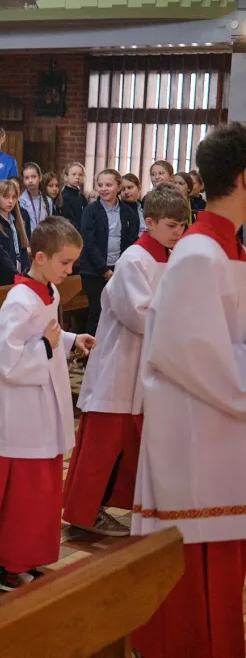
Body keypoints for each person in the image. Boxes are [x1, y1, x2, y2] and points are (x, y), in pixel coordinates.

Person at [131, 122, 246, 658]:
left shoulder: (226, 250)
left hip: (220, 440)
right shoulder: (201, 254)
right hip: (199, 445)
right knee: (195, 583)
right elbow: (198, 357)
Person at [0, 216, 95, 592]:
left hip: (42, 403)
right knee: (15, 487)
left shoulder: (48, 292)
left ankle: (22, 554)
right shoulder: (19, 301)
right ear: (40, 257)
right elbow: (3, 359)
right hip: (20, 410)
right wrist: (48, 346)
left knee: (38, 488)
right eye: (65, 263)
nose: (70, 270)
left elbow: (46, 335)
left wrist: (70, 340)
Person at [63, 184, 188, 539]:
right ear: (149, 222)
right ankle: (83, 512)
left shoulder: (169, 256)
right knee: (102, 446)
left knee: (133, 445)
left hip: (148, 368)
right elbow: (139, 315)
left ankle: (124, 506)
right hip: (120, 367)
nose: (178, 232)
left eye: (182, 225)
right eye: (171, 225)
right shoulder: (135, 259)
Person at [79, 169, 140, 336]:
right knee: (97, 312)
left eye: (109, 185)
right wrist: (105, 270)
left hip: (118, 268)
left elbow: (131, 241)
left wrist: (121, 267)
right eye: (100, 185)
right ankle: (89, 357)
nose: (104, 189)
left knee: (118, 313)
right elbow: (89, 244)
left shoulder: (128, 212)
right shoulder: (91, 211)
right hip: (94, 271)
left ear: (118, 186)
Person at [0, 178, 31, 287]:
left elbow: (23, 249)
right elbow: (0, 255)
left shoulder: (17, 220)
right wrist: (17, 274)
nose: (11, 201)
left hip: (19, 275)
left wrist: (26, 273)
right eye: (6, 197)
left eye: (14, 197)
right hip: (3, 277)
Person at [18, 162, 51, 229]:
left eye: (33, 177)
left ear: (40, 178)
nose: (30, 180)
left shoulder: (48, 200)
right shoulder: (21, 200)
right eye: (27, 178)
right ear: (23, 181)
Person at [60, 162, 87, 230]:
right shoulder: (64, 196)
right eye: (74, 174)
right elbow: (68, 220)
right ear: (66, 177)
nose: (77, 177)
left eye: (80, 174)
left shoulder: (82, 197)